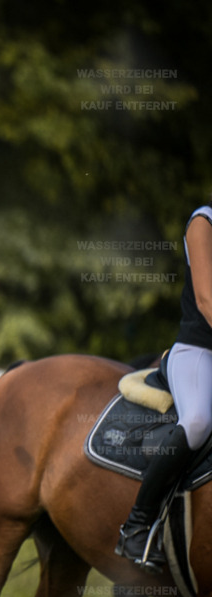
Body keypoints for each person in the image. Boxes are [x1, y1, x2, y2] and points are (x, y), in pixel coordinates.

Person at [117, 204, 212, 572]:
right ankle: (136, 526)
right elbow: (205, 300)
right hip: (198, 351)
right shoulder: (203, 222)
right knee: (200, 421)